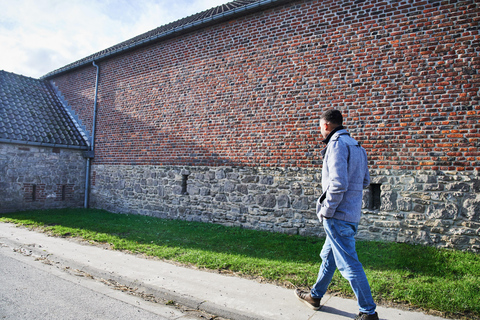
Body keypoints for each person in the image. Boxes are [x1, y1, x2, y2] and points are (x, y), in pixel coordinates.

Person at [295, 110, 379, 320]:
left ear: (326, 126)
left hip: (337, 216)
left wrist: (326, 211)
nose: (320, 130)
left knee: (349, 263)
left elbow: (338, 184)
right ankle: (315, 296)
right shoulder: (358, 146)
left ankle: (368, 312)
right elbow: (365, 181)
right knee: (329, 257)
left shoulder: (336, 145)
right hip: (351, 214)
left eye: (320, 127)